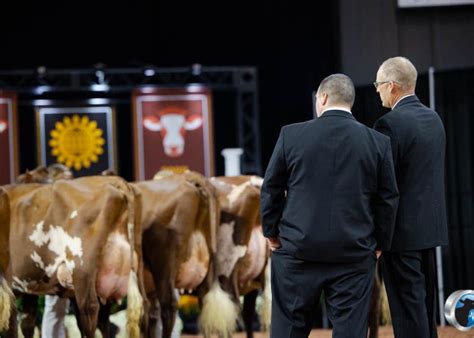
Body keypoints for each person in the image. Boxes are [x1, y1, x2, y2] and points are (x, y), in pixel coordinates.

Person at [261, 74, 399, 338]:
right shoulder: (378, 143)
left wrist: (272, 233)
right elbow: (388, 199)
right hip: (354, 254)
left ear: (322, 97)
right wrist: (381, 242)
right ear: (349, 101)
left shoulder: (291, 135)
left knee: (288, 330)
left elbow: (271, 188)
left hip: (297, 252)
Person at [373, 56, 448, 338]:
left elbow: (384, 186)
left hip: (400, 235)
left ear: (392, 86)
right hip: (431, 229)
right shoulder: (434, 118)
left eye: (379, 85)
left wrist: (379, 236)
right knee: (424, 306)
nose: (377, 90)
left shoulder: (389, 124)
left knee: (407, 309)